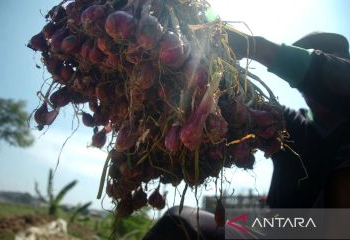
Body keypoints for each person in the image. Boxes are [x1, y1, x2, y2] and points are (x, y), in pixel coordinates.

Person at [143, 31, 350, 239]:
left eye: (307, 77)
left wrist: (252, 45)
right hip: (277, 232)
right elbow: (250, 108)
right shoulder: (298, 126)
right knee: (177, 222)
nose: (305, 91)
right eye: (302, 86)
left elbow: (334, 76)